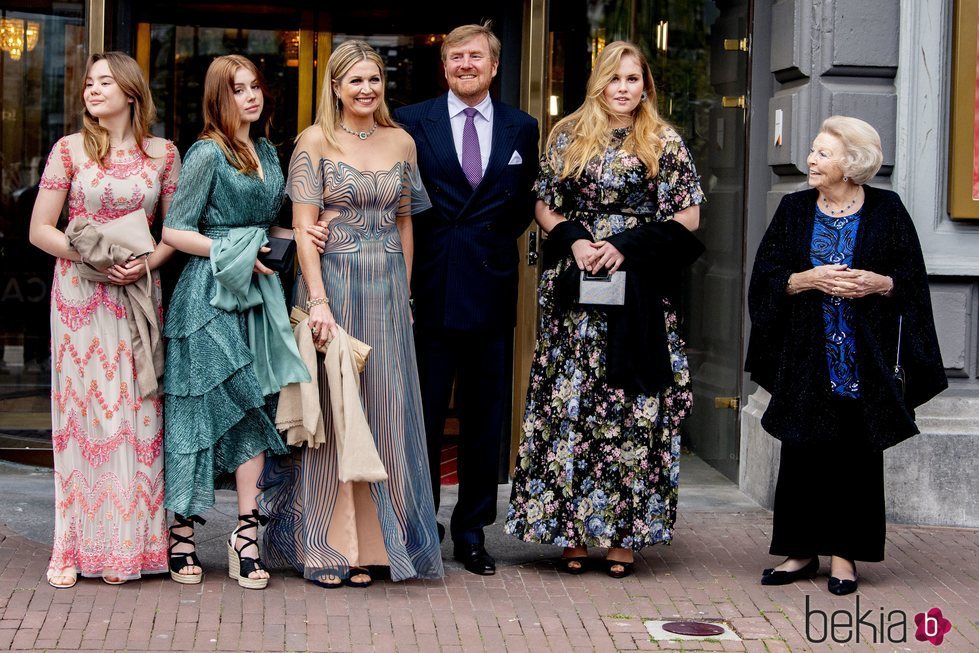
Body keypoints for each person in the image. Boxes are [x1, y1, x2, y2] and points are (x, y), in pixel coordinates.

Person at [504, 41, 704, 579]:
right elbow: (544, 202)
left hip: (637, 292)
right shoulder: (567, 135)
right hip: (577, 297)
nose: (623, 89)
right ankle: (570, 532)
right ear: (599, 82)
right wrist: (573, 239)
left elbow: (688, 219)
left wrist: (627, 246)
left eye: (633, 79)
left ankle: (623, 534)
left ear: (646, 86)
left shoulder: (664, 141)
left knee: (628, 411)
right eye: (615, 79)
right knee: (571, 407)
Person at [259, 40, 443, 588]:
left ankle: (383, 547)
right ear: (335, 87)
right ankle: (326, 546)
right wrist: (316, 301)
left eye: (374, 80)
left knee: (386, 416)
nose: (366, 89)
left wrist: (404, 296)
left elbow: (407, 223)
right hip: (331, 290)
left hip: (386, 294)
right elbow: (304, 227)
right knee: (333, 419)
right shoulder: (315, 141)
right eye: (355, 80)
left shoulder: (403, 142)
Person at [745, 115, 947, 595]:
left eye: (822, 153)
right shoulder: (794, 210)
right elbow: (766, 277)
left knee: (856, 456)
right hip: (806, 355)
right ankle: (799, 552)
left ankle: (844, 556)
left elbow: (911, 282)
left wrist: (881, 283)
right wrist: (805, 279)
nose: (811, 160)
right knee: (801, 451)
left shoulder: (887, 210)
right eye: (813, 151)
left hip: (864, 358)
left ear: (851, 164)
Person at [28, 52, 180, 588]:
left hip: (137, 293)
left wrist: (148, 262)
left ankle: (128, 548)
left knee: (135, 415)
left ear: (132, 92)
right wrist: (91, 256)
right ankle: (70, 548)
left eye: (104, 82)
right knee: (83, 416)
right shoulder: (68, 150)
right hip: (79, 297)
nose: (92, 90)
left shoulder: (163, 155)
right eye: (88, 82)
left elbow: (174, 233)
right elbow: (40, 230)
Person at [394, 22, 540, 576]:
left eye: (475, 57)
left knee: (485, 419)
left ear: (494, 66)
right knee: (424, 416)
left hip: (490, 287)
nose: (465, 65)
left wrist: (492, 242)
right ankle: (420, 525)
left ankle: (473, 530)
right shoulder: (412, 121)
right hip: (427, 285)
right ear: (445, 65)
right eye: (455, 57)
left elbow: (526, 203)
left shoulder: (522, 128)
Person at [161, 54, 309, 590]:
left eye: (255, 87)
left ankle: (245, 534)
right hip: (208, 299)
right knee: (197, 414)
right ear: (218, 99)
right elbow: (176, 231)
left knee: (252, 409)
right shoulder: (206, 153)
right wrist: (240, 248)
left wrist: (291, 238)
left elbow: (269, 220)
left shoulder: (268, 151)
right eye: (237, 89)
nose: (251, 97)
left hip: (258, 296)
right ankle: (181, 532)